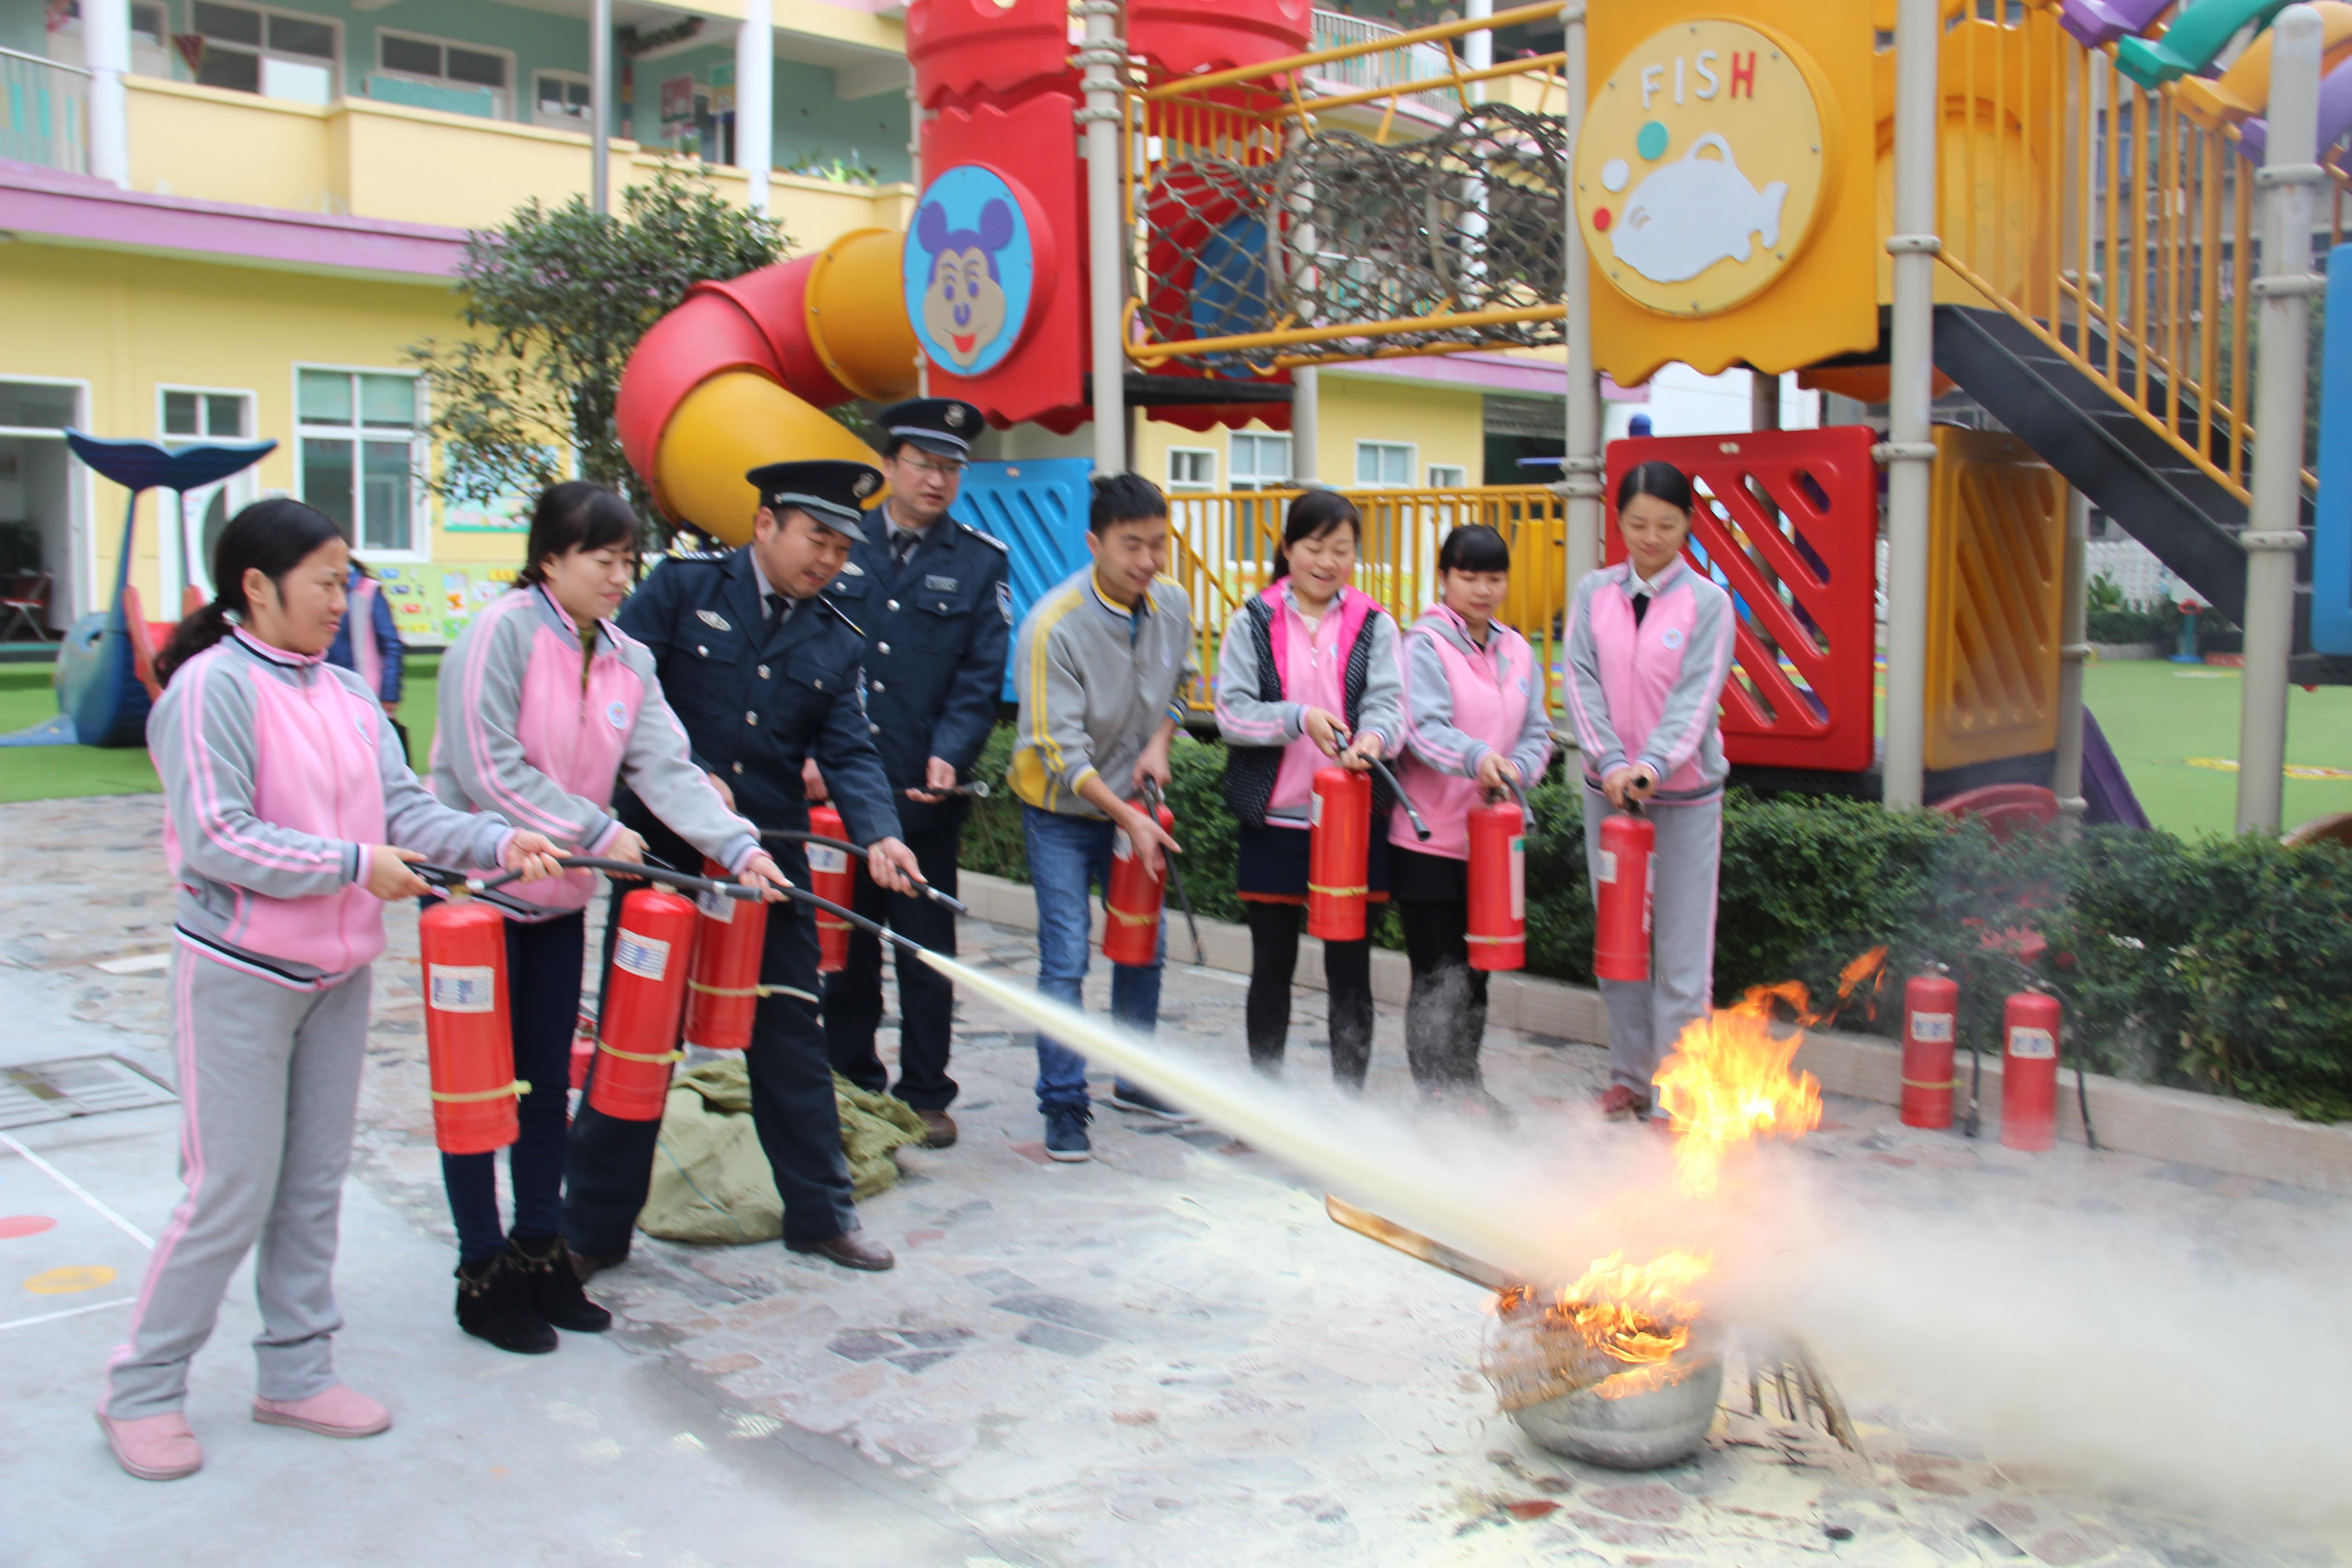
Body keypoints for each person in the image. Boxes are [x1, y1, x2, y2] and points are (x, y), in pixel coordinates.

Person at [99, 499, 561, 1482]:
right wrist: (358, 864)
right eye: (324, 580)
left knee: (311, 1189)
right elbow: (220, 837)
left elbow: (404, 809)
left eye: (346, 577)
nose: (341, 597)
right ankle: (141, 1391)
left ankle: (296, 1373)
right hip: (237, 977)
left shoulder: (347, 692)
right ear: (256, 588)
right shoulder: (208, 692)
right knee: (228, 1192)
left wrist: (496, 840)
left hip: (337, 977)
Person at [430, 482, 792, 1353]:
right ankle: (482, 1274)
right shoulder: (497, 635)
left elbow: (668, 768)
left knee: (549, 1086)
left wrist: (740, 850)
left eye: (629, 560)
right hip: (478, 902)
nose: (620, 576)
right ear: (549, 557)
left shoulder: (628, 658)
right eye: (603, 558)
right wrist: (596, 827)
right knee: (479, 1093)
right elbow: (488, 768)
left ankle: (539, 1252)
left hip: (558, 899)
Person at [564, 461, 925, 1275]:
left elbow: (850, 750)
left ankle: (819, 1214)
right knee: (635, 1038)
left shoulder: (835, 630)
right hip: (666, 860)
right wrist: (681, 777)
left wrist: (881, 833)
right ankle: (592, 1230)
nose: (828, 560)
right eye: (816, 540)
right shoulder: (683, 590)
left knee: (791, 1033)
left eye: (842, 547)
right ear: (765, 525)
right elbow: (615, 693)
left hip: (767, 864)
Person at [813, 398, 1010, 1150]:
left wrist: (953, 751)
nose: (937, 480)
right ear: (889, 465)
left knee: (925, 950)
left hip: (925, 796)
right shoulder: (838, 543)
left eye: (951, 467)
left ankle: (927, 1090)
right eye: (923, 464)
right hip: (840, 791)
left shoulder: (979, 559)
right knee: (846, 949)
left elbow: (978, 674)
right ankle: (851, 1082)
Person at [1008, 473, 1199, 1161]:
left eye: (1159, 545)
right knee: (1065, 956)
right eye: (1131, 547)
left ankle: (1136, 1077)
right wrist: (1129, 818)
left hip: (1135, 809)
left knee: (1142, 946)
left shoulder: (1172, 603)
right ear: (1094, 543)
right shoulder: (1051, 626)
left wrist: (1159, 741)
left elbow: (1184, 683)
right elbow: (1060, 753)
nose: (1148, 561)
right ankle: (1063, 1103)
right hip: (1064, 811)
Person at [1563, 460, 1734, 1120]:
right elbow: (1579, 680)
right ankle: (1630, 1076)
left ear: (1688, 524)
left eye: (1666, 524)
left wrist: (1653, 766)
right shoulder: (1594, 593)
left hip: (1684, 799)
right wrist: (1608, 761)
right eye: (1637, 523)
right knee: (1619, 948)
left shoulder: (1708, 604)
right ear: (1620, 523)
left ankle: (1680, 1095)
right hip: (1608, 799)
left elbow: (1697, 698)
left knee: (1682, 957)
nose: (1651, 537)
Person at [1213, 490, 1401, 1085]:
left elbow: (1392, 708)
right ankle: (1266, 1102)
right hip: (1275, 822)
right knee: (1272, 966)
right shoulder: (1254, 619)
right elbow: (1231, 713)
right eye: (1314, 547)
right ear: (1289, 548)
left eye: (1342, 550)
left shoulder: (1376, 623)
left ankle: (1349, 1106)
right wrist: (1297, 718)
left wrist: (1374, 741)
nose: (1327, 561)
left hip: (1352, 826)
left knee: (1351, 968)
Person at [1387, 524, 1553, 1114]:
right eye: (1469, 576)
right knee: (1439, 976)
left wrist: (1520, 769)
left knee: (1480, 973)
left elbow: (1538, 732)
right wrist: (1479, 759)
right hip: (1430, 840)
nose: (1482, 589)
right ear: (1445, 579)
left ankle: (1467, 1087)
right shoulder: (1423, 646)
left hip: (1493, 841)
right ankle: (1437, 1095)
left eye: (1494, 577)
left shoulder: (1517, 650)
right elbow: (1422, 730)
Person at [325, 558, 408, 761]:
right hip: (328, 689)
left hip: (364, 691)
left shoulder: (367, 590)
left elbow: (391, 644)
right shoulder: (318, 592)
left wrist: (389, 693)